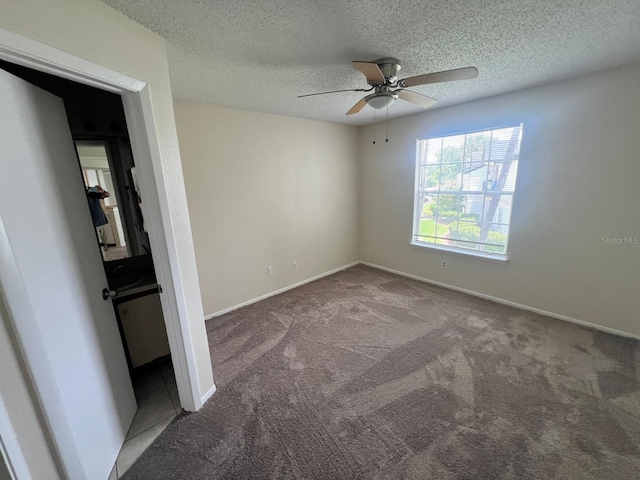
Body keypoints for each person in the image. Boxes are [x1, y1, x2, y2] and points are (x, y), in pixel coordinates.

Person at [86, 185, 110, 252]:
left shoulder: (94, 194)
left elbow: (107, 194)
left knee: (104, 242)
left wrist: (101, 190)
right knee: (99, 243)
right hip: (95, 223)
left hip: (101, 221)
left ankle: (105, 251)